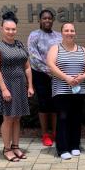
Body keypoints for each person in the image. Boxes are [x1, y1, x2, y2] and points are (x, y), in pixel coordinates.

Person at [0, 12, 34, 162]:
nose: (11, 32)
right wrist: (3, 89)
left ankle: (16, 146)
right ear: (1, 29)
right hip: (6, 85)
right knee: (8, 118)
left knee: (17, 118)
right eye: (7, 29)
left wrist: (30, 86)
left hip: (20, 85)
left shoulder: (20, 44)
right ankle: (7, 149)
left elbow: (27, 67)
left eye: (13, 29)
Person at [46, 23, 85, 160]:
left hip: (78, 90)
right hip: (61, 90)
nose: (69, 33)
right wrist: (66, 78)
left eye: (72, 30)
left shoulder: (82, 49)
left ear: (75, 33)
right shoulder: (55, 48)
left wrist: (84, 76)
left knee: (76, 118)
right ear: (62, 33)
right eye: (66, 30)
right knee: (63, 118)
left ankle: (75, 146)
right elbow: (50, 65)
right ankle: (62, 148)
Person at [27, 9, 62, 147]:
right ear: (40, 20)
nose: (47, 20)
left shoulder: (59, 36)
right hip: (41, 74)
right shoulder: (34, 35)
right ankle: (45, 134)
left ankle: (55, 132)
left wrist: (57, 71)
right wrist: (50, 70)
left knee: (55, 104)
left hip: (57, 74)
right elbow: (33, 56)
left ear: (53, 20)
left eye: (49, 18)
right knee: (44, 104)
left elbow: (62, 53)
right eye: (44, 18)